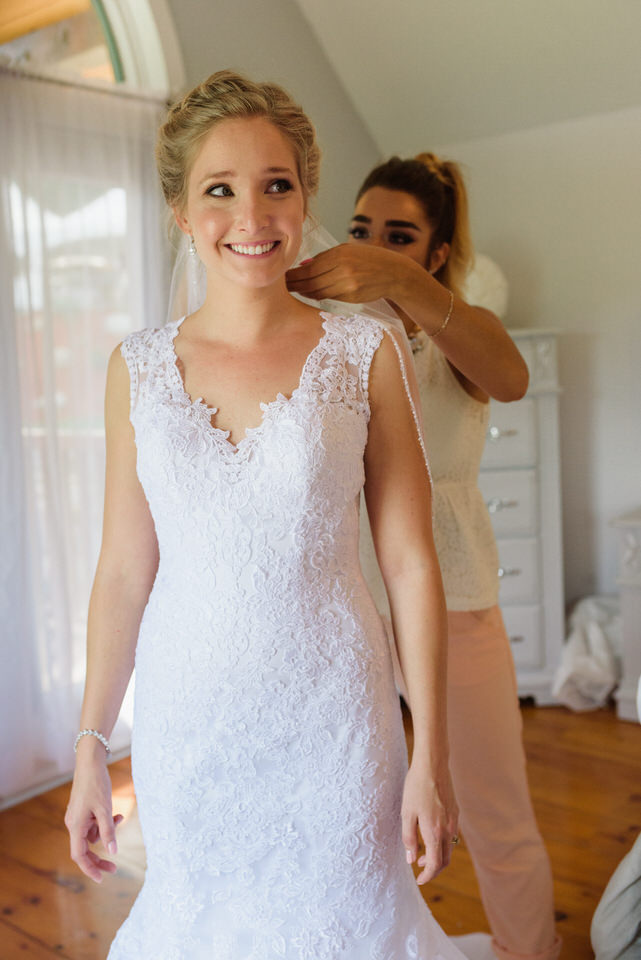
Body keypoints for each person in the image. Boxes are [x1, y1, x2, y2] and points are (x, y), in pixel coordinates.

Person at [64, 70, 468, 959]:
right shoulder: (136, 367)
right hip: (189, 725)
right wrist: (92, 744)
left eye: (275, 184)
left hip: (337, 722)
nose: (251, 216)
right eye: (219, 189)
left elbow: (409, 563)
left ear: (303, 195)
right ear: (180, 211)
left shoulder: (366, 349)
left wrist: (429, 754)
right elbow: (124, 572)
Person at [287, 156, 561, 960]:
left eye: (398, 236)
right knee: (355, 809)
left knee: (492, 809)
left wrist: (401, 286)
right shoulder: (330, 335)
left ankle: (528, 950)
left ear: (436, 254)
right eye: (362, 228)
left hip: (453, 597)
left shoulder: (459, 336)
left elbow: (509, 378)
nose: (371, 247)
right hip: (345, 602)